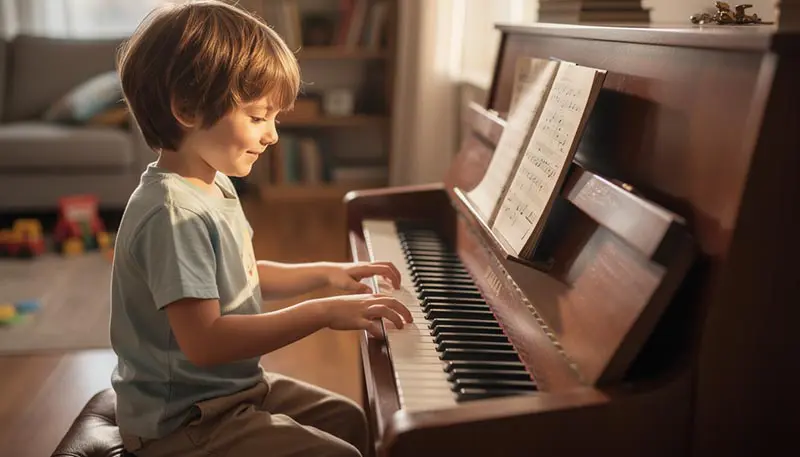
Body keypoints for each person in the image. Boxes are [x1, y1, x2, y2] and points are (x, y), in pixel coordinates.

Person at [108, 1, 412, 456]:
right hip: (180, 422)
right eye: (257, 117)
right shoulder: (173, 213)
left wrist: (326, 272)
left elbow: (242, 271)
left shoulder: (215, 185)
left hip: (229, 391)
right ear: (187, 109)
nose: (272, 135)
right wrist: (321, 312)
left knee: (349, 420)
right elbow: (206, 342)